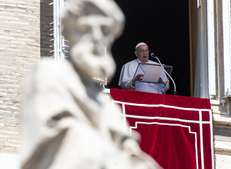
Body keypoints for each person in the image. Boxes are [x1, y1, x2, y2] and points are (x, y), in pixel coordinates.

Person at [20, 0, 161, 169]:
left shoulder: (105, 102)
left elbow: (130, 152)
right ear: (70, 34)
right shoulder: (48, 74)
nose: (97, 37)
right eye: (86, 29)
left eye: (105, 30)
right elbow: (62, 142)